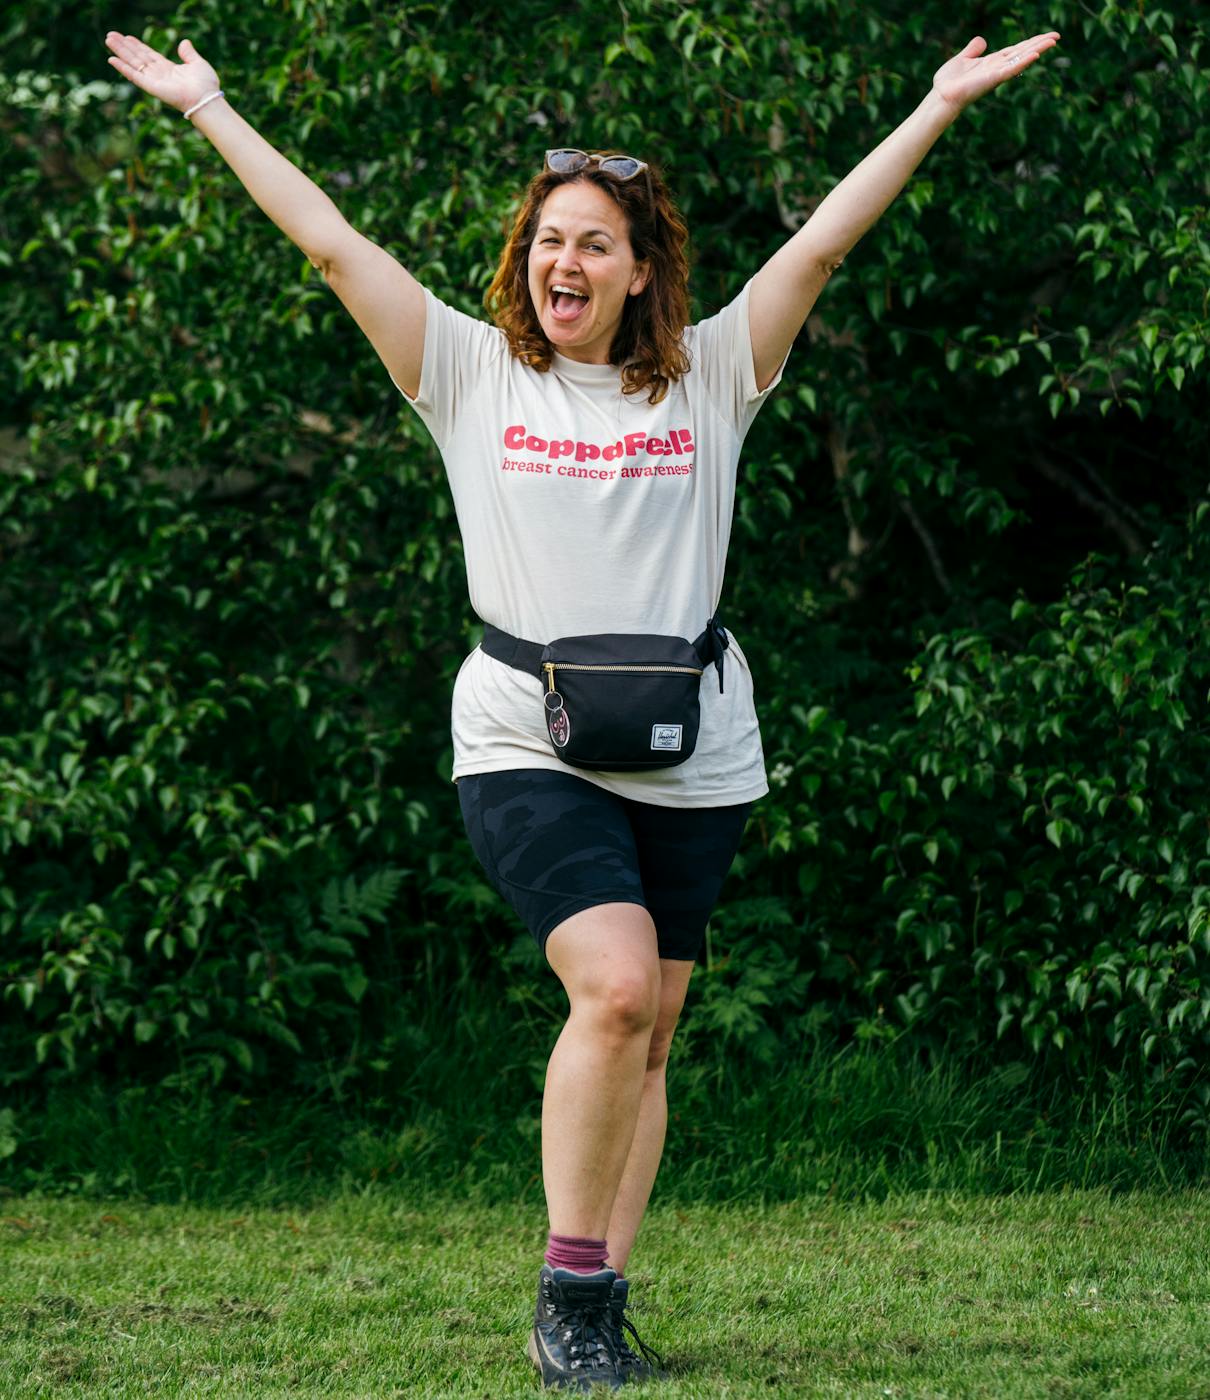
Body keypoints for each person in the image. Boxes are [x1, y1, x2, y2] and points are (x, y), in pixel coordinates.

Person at [104, 23, 1061, 1391]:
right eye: (550, 238)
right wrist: (208, 108)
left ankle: (602, 1306)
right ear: (525, 259)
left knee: (651, 1034)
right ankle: (563, 1300)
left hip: (692, 748)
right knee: (610, 994)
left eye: (596, 242)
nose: (567, 261)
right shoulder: (466, 372)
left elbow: (820, 249)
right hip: (522, 737)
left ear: (640, 270)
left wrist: (934, 104)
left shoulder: (714, 376)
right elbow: (329, 244)